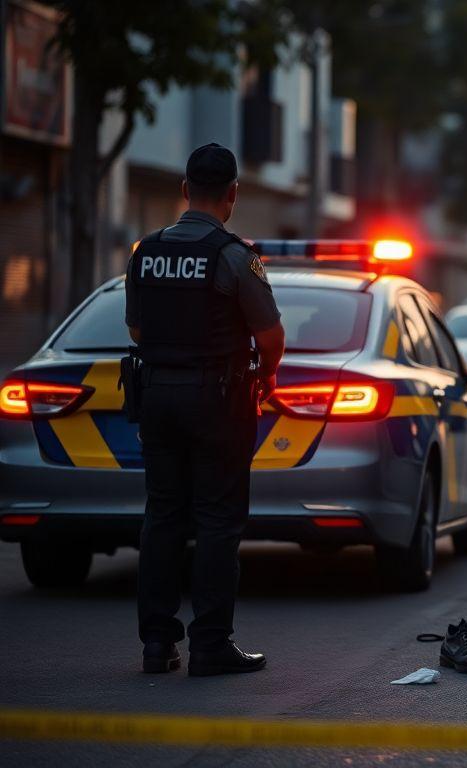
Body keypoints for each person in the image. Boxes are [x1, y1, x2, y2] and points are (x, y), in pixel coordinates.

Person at [127, 143, 285, 676]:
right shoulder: (235, 256)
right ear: (233, 195)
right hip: (218, 399)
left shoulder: (144, 252)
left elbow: (136, 330)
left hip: (155, 396)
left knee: (163, 514)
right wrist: (266, 376)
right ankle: (210, 645)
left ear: (184, 190)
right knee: (218, 519)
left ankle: (156, 643)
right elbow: (270, 335)